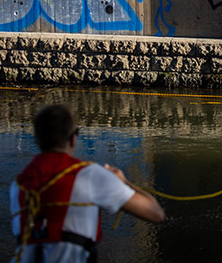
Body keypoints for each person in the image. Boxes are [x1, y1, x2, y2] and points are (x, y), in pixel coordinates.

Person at [10, 105, 165, 263]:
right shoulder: (89, 175)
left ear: (36, 139)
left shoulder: (17, 185)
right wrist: (125, 182)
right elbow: (155, 213)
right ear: (73, 138)